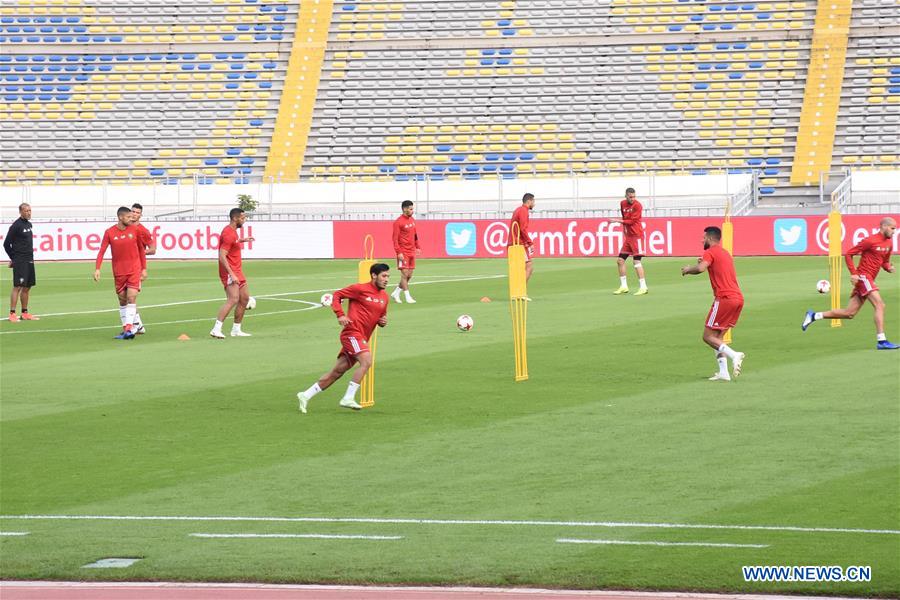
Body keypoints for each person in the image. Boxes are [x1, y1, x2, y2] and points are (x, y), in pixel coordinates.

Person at [297, 263, 390, 413]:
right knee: (366, 361)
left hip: (362, 338)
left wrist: (383, 321)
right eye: (384, 276)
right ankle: (348, 397)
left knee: (337, 372)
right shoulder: (359, 289)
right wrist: (340, 314)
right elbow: (337, 295)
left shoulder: (384, 297)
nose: (387, 279)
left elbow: (381, 317)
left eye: (388, 276)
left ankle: (305, 395)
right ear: (374, 275)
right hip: (352, 333)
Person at [802, 217, 898, 349]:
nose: (894, 231)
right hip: (864, 277)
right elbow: (849, 254)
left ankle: (814, 316)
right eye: (893, 228)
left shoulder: (889, 243)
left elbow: (884, 261)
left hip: (868, 279)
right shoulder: (869, 241)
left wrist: (889, 268)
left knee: (849, 313)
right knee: (880, 305)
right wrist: (853, 273)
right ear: (884, 226)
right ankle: (882, 341)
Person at [681, 226, 746, 381]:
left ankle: (734, 355)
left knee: (707, 336)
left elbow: (701, 269)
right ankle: (723, 372)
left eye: (703, 237)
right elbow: (714, 267)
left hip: (724, 298)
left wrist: (688, 269)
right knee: (718, 337)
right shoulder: (724, 253)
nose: (701, 240)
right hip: (738, 298)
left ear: (710, 239)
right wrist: (703, 262)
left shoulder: (710, 252)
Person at [93, 207, 147, 340]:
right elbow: (102, 251)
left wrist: (144, 268)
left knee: (131, 298)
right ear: (121, 217)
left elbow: (141, 250)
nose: (131, 218)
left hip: (134, 270)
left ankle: (129, 328)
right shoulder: (110, 232)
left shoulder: (135, 230)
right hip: (119, 272)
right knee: (122, 300)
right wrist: (97, 268)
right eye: (128, 217)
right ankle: (126, 329)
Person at [210, 208, 255, 339]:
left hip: (237, 270)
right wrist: (231, 274)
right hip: (230, 271)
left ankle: (236, 329)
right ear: (235, 218)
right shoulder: (228, 234)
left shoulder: (233, 232)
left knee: (244, 298)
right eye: (242, 218)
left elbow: (232, 242)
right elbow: (222, 256)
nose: (244, 220)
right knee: (233, 299)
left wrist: (242, 240)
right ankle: (216, 328)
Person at [4, 203, 38, 322]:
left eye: (30, 210)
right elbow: (6, 244)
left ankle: (24, 313)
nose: (29, 212)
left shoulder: (29, 224)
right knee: (17, 286)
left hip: (29, 259)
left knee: (27, 286)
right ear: (21, 212)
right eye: (26, 211)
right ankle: (12, 314)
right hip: (20, 260)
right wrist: (14, 258)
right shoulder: (16, 226)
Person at [611, 187, 648, 295]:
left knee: (636, 262)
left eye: (634, 197)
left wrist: (618, 221)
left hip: (637, 236)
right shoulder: (622, 203)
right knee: (620, 261)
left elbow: (632, 221)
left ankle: (643, 287)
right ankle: (623, 286)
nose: (632, 199)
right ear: (626, 196)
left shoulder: (637, 205)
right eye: (630, 197)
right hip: (629, 237)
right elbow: (625, 216)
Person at [129, 203, 156, 334]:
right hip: (125, 267)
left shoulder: (142, 230)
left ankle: (136, 325)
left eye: (137, 212)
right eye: (133, 211)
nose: (134, 214)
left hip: (137, 267)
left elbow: (153, 249)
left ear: (141, 215)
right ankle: (138, 325)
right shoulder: (125, 227)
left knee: (131, 298)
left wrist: (140, 254)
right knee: (127, 298)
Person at [390, 200, 421, 304]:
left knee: (409, 275)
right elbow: (395, 239)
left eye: (412, 209)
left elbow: (415, 234)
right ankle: (407, 296)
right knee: (404, 274)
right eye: (411, 209)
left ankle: (396, 292)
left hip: (411, 251)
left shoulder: (412, 220)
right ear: (405, 209)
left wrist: (417, 246)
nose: (412, 211)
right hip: (403, 252)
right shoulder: (398, 222)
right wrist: (399, 252)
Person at [508, 193, 535, 300]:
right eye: (533, 201)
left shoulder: (517, 210)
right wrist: (530, 242)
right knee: (529, 266)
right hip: (518, 243)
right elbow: (523, 229)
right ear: (529, 201)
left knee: (519, 269)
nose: (534, 203)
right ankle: (520, 292)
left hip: (513, 243)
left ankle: (517, 294)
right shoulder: (524, 211)